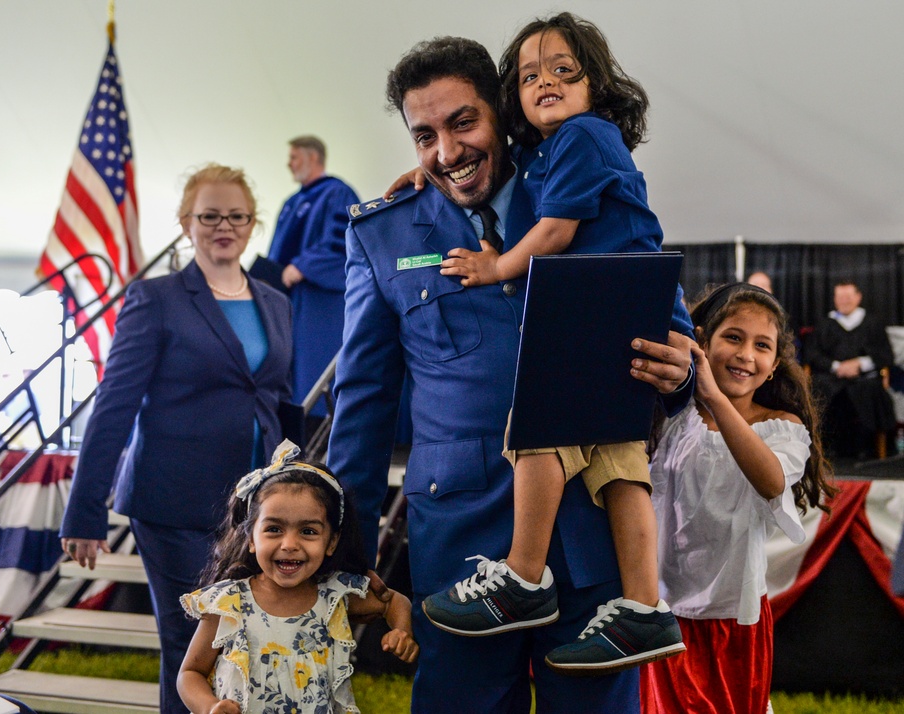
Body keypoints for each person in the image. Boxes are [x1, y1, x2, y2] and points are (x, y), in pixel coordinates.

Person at [328, 36, 693, 713]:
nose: (446, 152)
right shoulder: (383, 234)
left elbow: (667, 316)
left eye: (463, 123)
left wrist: (682, 369)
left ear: (501, 111)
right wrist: (350, 556)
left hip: (591, 531)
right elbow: (364, 403)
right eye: (424, 136)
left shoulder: (577, 184)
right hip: (460, 543)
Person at [420, 13, 690, 675]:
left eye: (562, 70)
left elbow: (558, 233)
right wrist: (426, 177)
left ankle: (522, 575)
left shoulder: (584, 136)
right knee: (618, 462)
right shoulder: (547, 153)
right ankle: (644, 607)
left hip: (596, 300)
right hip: (625, 304)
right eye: (529, 75)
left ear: (595, 83)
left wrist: (496, 265)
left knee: (536, 429)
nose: (544, 83)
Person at [60, 163, 293, 714]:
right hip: (174, 501)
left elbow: (280, 399)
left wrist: (296, 483)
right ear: (186, 222)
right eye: (209, 215)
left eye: (236, 215)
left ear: (252, 223)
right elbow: (114, 406)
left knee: (248, 644)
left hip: (256, 508)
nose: (223, 226)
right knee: (192, 645)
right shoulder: (155, 298)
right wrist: (84, 511)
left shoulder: (276, 302)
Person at [642, 283, 835, 714]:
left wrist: (711, 394)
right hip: (663, 613)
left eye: (762, 345)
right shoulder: (671, 417)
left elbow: (770, 482)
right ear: (703, 341)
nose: (746, 353)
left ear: (773, 367)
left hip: (734, 619)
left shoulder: (783, 428)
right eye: (733, 337)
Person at [177, 440, 417, 714]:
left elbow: (391, 601)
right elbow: (190, 673)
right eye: (274, 529)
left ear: (331, 542)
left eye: (308, 532)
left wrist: (401, 630)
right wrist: (210, 707)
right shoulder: (228, 604)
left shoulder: (335, 596)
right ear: (251, 538)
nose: (289, 544)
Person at [267, 136, 359, 430]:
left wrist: (304, 266)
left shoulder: (336, 192)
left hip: (318, 299)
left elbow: (342, 241)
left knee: (311, 370)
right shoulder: (293, 201)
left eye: (294, 157)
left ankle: (317, 425)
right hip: (288, 299)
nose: (288, 164)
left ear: (313, 158)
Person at [803, 280, 896, 459]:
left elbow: (886, 355)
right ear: (834, 299)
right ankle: (829, 449)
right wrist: (837, 367)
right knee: (821, 389)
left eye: (848, 297)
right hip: (832, 377)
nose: (844, 301)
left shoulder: (872, 323)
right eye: (840, 297)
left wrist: (860, 364)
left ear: (858, 297)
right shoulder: (826, 324)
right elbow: (812, 354)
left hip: (865, 378)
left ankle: (867, 449)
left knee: (868, 391)